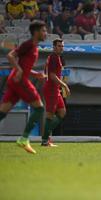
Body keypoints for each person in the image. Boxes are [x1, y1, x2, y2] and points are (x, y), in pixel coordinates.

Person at [0, 21, 47, 154]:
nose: (46, 33)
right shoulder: (28, 44)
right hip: (20, 81)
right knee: (39, 108)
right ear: (36, 32)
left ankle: (24, 139)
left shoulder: (34, 46)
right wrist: (19, 70)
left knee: (2, 112)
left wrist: (34, 73)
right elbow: (10, 56)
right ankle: (24, 139)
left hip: (15, 80)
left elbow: (24, 66)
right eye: (43, 31)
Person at [42, 39, 70, 147]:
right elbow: (52, 76)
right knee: (50, 115)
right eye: (59, 46)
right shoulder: (53, 57)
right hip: (51, 89)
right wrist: (65, 85)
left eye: (62, 46)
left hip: (55, 89)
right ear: (54, 47)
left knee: (62, 112)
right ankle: (45, 140)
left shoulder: (56, 58)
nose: (61, 48)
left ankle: (46, 137)